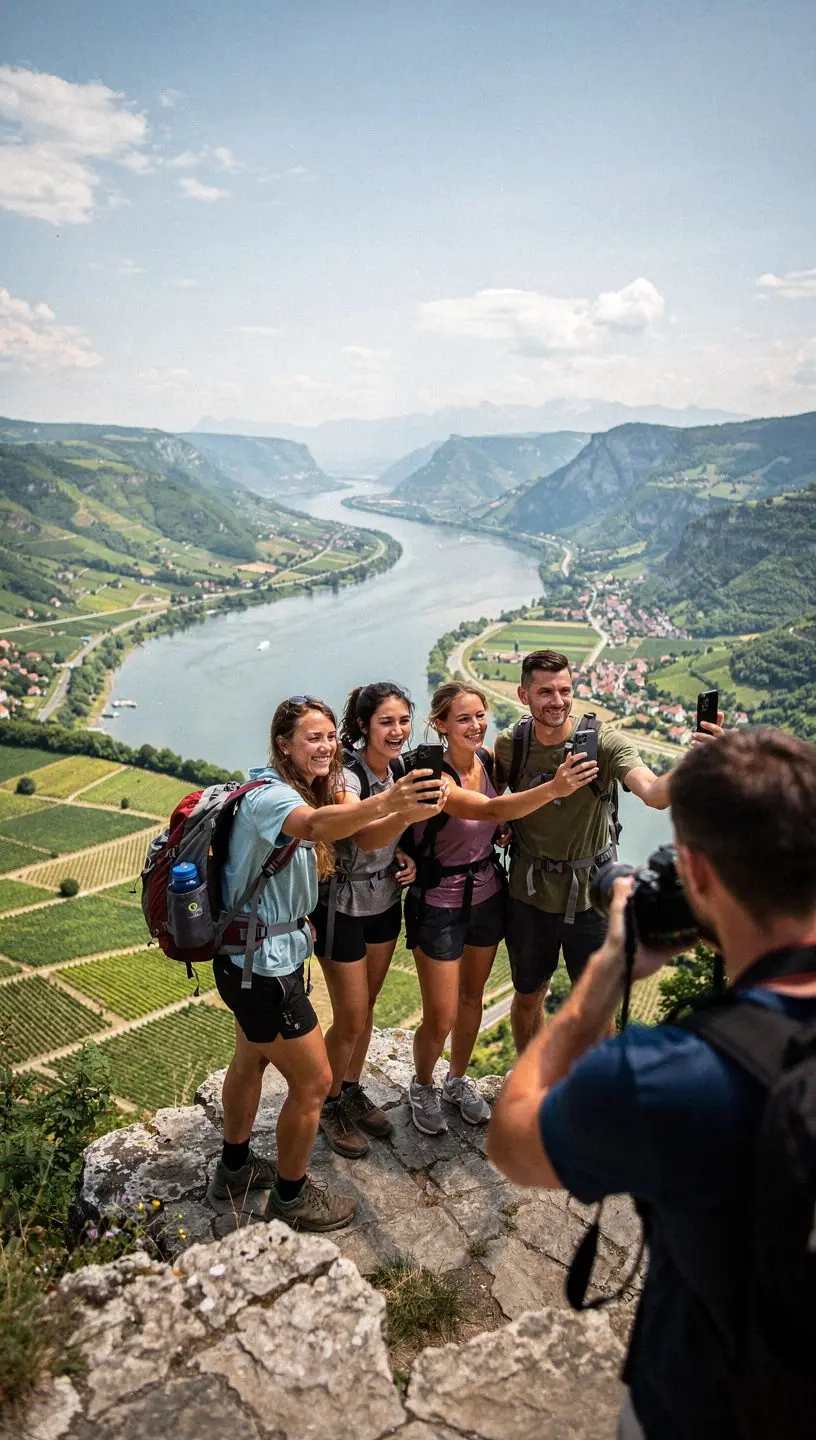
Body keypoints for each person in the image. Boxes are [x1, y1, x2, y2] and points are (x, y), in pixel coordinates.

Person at [487, 727, 816, 1439]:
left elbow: (512, 1138)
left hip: (702, 1406)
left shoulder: (671, 1076)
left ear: (696, 877)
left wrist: (606, 973)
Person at [210, 694, 442, 1230]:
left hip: (256, 958)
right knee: (314, 1082)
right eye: (312, 737)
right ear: (284, 744)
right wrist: (393, 803)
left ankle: (235, 1168)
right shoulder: (272, 799)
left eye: (331, 735)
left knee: (250, 1061)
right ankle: (291, 1198)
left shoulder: (278, 788)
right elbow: (317, 827)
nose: (326, 745)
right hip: (260, 969)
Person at [493, 648, 724, 1052]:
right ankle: (530, 1085)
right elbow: (491, 805)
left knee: (598, 1007)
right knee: (529, 996)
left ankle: (600, 1094)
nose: (558, 701)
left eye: (565, 690)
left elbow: (655, 794)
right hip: (529, 894)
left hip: (591, 896)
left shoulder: (604, 742)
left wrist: (699, 757)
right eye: (545, 692)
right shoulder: (511, 745)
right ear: (523, 695)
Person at [404, 680, 600, 1136]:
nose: (475, 726)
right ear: (440, 725)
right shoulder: (436, 777)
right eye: (463, 718)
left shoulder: (488, 762)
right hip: (438, 901)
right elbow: (493, 811)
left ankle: (456, 1079)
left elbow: (499, 817)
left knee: (472, 999)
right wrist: (556, 787)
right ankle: (422, 1084)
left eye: (480, 716)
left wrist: (506, 835)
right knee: (441, 1013)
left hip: (488, 893)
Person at [311, 682, 448, 1159]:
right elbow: (364, 837)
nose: (397, 731)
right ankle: (328, 1105)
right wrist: (405, 811)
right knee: (348, 1016)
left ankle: (349, 1089)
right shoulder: (345, 773)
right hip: (342, 906)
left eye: (403, 721)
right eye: (386, 722)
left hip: (384, 899)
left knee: (366, 1008)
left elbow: (386, 842)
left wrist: (406, 851)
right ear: (364, 726)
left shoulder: (397, 768)